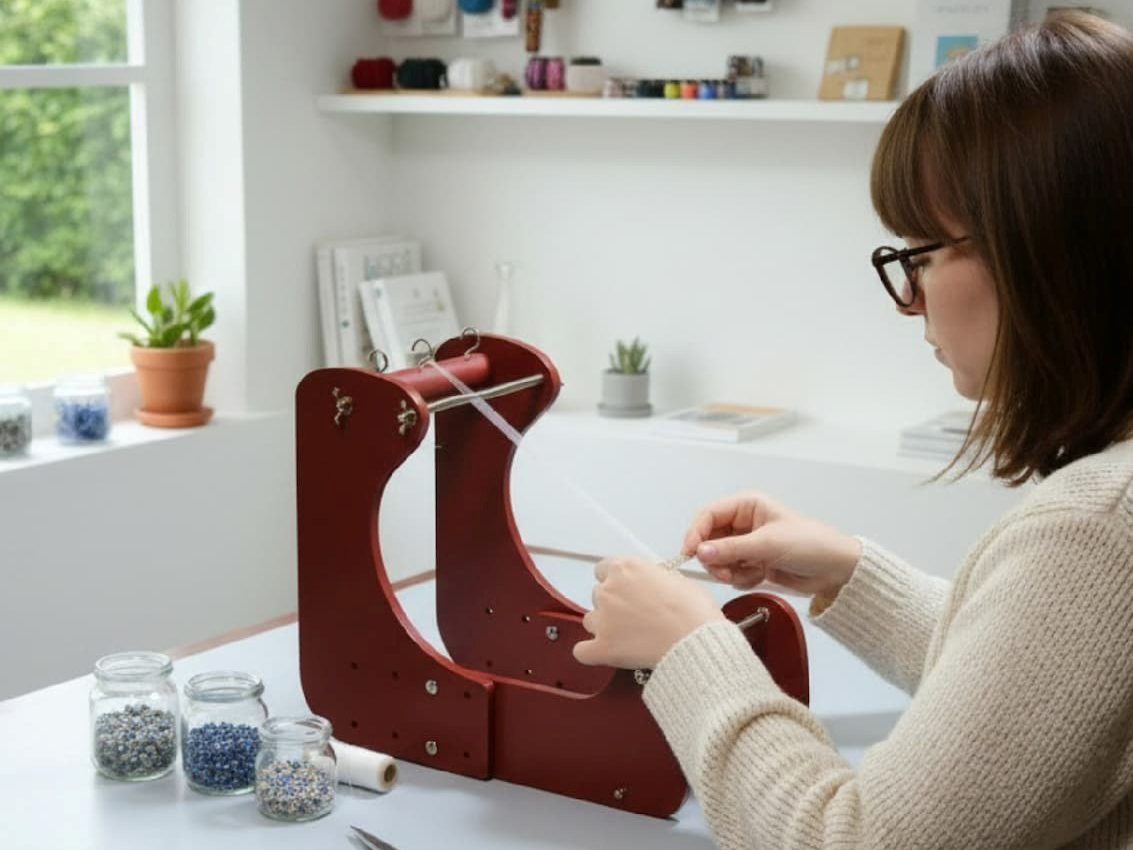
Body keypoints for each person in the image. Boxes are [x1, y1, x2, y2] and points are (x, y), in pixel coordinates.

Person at [572, 12, 1133, 850]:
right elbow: (1042, 699)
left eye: (921, 255)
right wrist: (851, 573)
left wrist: (688, 649)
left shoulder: (1094, 528)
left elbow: (850, 839)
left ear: (1041, 248)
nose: (909, 300)